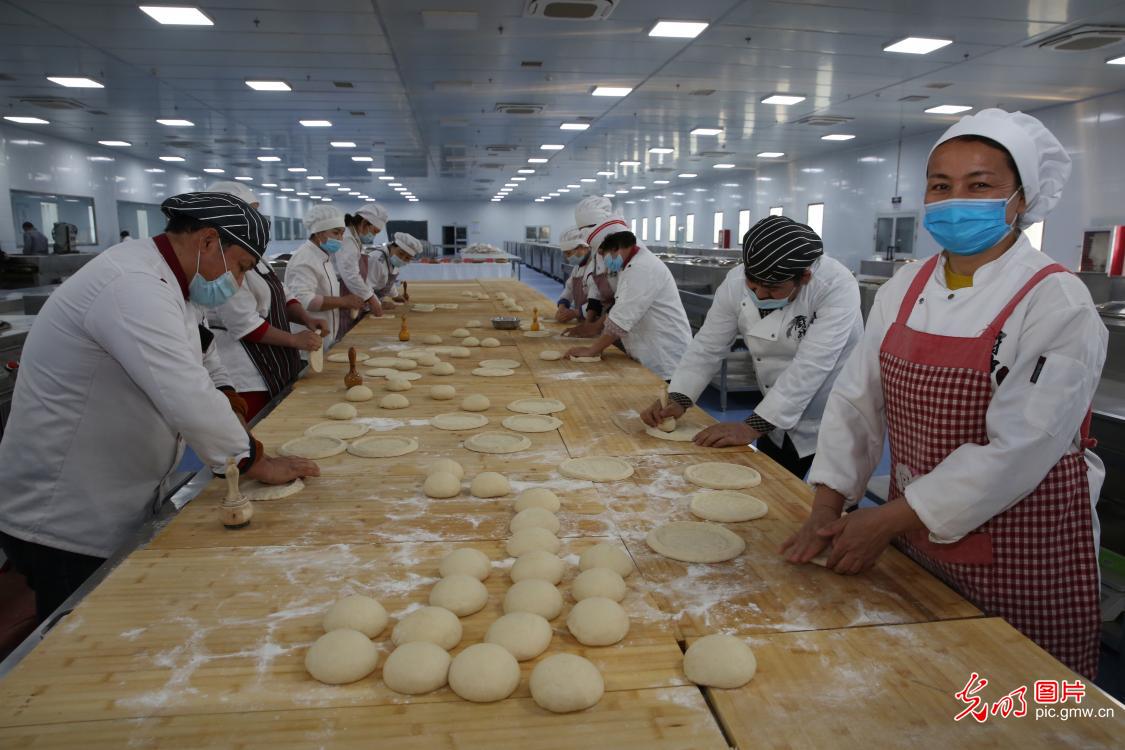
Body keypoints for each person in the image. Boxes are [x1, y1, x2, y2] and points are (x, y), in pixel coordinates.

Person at [783, 109, 1107, 679]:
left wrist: (885, 522)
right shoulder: (907, 286)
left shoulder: (1056, 301)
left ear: (1022, 200)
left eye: (980, 185)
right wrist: (827, 507)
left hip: (1021, 551)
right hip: (918, 532)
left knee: (1020, 706)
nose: (956, 199)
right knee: (930, 686)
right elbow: (858, 402)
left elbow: (1018, 453)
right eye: (940, 185)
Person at [0, 192, 319, 623]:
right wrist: (255, 461)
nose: (239, 283)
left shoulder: (175, 284)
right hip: (70, 511)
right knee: (85, 635)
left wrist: (229, 399)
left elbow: (205, 357)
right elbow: (183, 389)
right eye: (241, 267)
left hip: (121, 491)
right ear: (208, 241)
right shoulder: (132, 285)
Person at [641, 216, 863, 478]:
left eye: (772, 289)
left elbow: (812, 365)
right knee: (774, 485)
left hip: (834, 411)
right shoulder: (735, 283)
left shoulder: (836, 287)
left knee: (836, 499)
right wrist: (679, 398)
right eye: (753, 285)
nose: (759, 295)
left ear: (803, 277)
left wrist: (750, 427)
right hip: (774, 407)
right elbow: (707, 345)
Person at [205, 182, 328, 420]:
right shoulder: (220, 262)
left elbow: (282, 293)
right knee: (257, 433)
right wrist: (294, 339)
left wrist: (306, 318)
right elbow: (245, 324)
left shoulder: (254, 253)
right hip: (247, 372)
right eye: (251, 212)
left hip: (275, 362)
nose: (257, 220)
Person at [564, 216, 692, 379]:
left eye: (603, 254)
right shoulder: (629, 266)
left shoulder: (642, 268)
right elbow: (619, 307)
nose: (603, 259)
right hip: (649, 352)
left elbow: (622, 318)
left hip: (665, 358)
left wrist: (592, 350)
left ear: (617, 248)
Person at [285, 205, 365, 347]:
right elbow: (302, 300)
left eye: (342, 233)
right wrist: (343, 301)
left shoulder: (323, 256)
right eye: (336, 233)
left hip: (322, 339)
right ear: (318, 232)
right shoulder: (305, 259)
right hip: (307, 343)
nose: (340, 239)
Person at [554, 227, 606, 324]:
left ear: (582, 247)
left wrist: (576, 313)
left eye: (569, 253)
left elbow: (599, 299)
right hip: (582, 321)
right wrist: (562, 306)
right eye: (565, 254)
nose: (567, 257)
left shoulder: (596, 266)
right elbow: (569, 289)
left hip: (596, 323)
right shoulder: (578, 268)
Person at [365, 232, 422, 309]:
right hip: (362, 304)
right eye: (401, 253)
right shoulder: (377, 260)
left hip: (373, 304)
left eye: (407, 258)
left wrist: (396, 295)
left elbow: (388, 282)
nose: (402, 259)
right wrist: (379, 304)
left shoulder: (393, 260)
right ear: (393, 246)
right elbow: (364, 288)